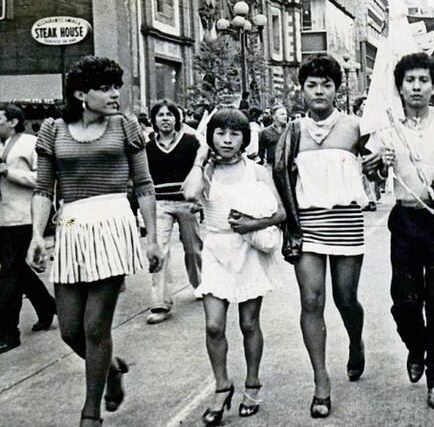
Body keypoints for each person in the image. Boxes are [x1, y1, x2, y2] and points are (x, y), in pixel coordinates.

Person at [26, 56, 164, 427]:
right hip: (71, 220)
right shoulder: (53, 130)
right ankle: (113, 369)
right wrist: (38, 235)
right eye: (105, 88)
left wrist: (152, 239)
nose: (115, 94)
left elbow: (144, 186)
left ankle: (91, 413)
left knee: (95, 327)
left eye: (116, 86)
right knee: (70, 329)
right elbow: (43, 189)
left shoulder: (126, 126)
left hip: (115, 220)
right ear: (80, 93)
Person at [363, 52, 434, 410]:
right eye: (409, 81)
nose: (416, 86)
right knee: (405, 301)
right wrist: (380, 166)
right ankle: (416, 345)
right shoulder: (388, 127)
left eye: (423, 80)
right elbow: (373, 175)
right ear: (399, 86)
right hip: (405, 220)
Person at [272, 54, 370, 419]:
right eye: (311, 84)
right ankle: (321, 381)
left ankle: (356, 343)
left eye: (325, 84)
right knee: (311, 301)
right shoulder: (293, 130)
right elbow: (279, 177)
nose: (318, 91)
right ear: (301, 90)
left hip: (346, 223)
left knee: (346, 300)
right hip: (307, 227)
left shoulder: (356, 128)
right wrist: (285, 224)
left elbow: (375, 164)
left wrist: (376, 163)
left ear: (336, 89)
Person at [183, 110, 285, 424]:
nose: (227, 140)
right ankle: (222, 385)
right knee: (214, 324)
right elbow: (188, 193)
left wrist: (252, 224)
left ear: (244, 138)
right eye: (220, 133)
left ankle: (252, 384)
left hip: (248, 250)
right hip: (215, 249)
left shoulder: (255, 171)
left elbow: (281, 213)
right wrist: (201, 159)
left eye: (235, 134)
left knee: (249, 323)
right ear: (211, 136)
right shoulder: (206, 170)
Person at [0, 104, 56, 353]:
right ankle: (46, 305)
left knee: (9, 274)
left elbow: (43, 179)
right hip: (2, 218)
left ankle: (9, 332)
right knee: (18, 270)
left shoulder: (30, 143)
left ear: (12, 121)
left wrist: (10, 172)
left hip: (24, 217)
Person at [145, 99, 203, 325]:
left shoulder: (190, 142)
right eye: (160, 115)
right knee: (160, 250)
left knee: (193, 248)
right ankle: (160, 302)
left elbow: (201, 171)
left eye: (170, 114)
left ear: (177, 118)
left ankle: (201, 285)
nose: (165, 118)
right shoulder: (148, 147)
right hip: (160, 204)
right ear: (154, 120)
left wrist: (199, 198)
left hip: (187, 203)